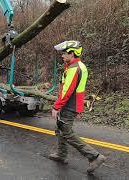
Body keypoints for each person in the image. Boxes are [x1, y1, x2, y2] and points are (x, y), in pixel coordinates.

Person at [49, 40, 106, 174]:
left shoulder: (74, 69)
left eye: (64, 53)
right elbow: (79, 89)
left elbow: (67, 90)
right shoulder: (79, 65)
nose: (62, 55)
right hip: (73, 104)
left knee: (67, 133)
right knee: (60, 128)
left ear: (72, 53)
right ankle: (61, 154)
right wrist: (79, 107)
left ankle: (95, 156)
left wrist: (56, 107)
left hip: (68, 105)